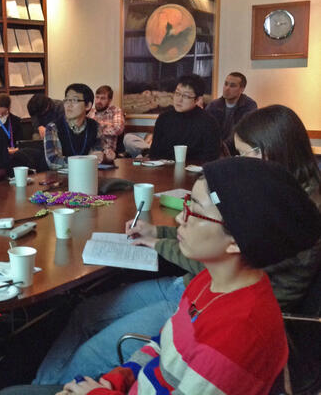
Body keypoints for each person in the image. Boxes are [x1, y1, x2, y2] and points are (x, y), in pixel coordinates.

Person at [32, 104, 321, 385]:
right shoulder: (267, 198)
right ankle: (39, 386)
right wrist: (157, 233)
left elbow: (217, 251)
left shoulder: (287, 217)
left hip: (207, 302)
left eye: (244, 154)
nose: (240, 162)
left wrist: (157, 240)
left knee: (89, 354)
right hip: (198, 287)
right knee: (85, 315)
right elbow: (210, 239)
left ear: (269, 153)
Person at [149, 74, 221, 162]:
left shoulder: (208, 122)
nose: (179, 99)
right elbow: (154, 153)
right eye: (177, 93)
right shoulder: (164, 118)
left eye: (186, 96)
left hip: (195, 173)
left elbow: (211, 157)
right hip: (163, 170)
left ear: (198, 99)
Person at [44, 84, 104, 170]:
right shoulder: (53, 127)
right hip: (60, 179)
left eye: (74, 100)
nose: (69, 104)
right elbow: (53, 161)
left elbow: (96, 157)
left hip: (88, 175)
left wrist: (105, 157)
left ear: (88, 106)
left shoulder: (95, 126)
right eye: (67, 100)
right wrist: (86, 160)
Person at [206, 72, 257, 154]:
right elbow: (207, 129)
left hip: (237, 150)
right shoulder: (214, 105)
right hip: (215, 149)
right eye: (226, 84)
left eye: (232, 86)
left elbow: (242, 131)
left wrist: (223, 147)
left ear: (242, 89)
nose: (227, 88)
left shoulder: (249, 106)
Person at [87, 86, 125, 162]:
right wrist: (105, 125)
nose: (98, 101)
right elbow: (86, 130)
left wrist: (96, 129)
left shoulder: (115, 110)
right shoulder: (90, 112)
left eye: (103, 98)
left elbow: (118, 129)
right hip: (90, 150)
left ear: (110, 100)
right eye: (97, 97)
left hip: (107, 151)